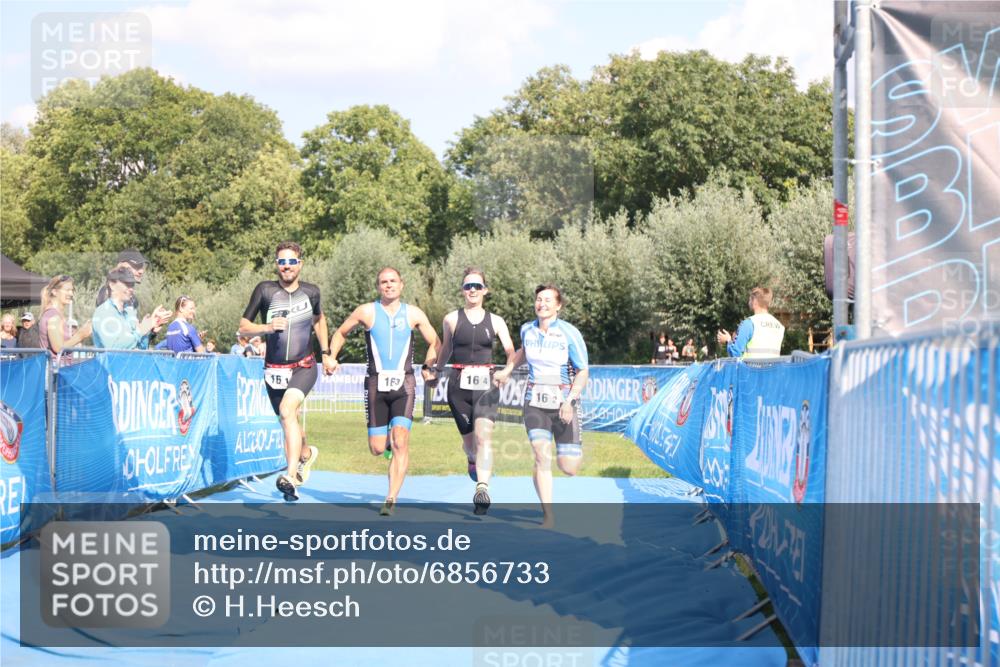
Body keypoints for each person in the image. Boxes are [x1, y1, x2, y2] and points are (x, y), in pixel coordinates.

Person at [328, 267, 440, 516]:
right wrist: (331, 356)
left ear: (401, 284)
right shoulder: (366, 311)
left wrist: (429, 365)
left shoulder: (413, 313)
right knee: (377, 448)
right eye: (383, 282)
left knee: (401, 440)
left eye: (393, 281)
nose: (389, 285)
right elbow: (341, 333)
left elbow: (435, 341)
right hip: (376, 384)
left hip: (404, 384)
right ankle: (386, 441)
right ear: (378, 286)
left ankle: (391, 498)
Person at [239, 241, 335, 501]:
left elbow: (319, 320)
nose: (287, 266)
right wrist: (267, 328)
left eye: (292, 261)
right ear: (277, 265)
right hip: (274, 370)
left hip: (304, 366)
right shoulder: (265, 290)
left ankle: (290, 477)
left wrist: (326, 353)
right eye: (282, 262)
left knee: (286, 411)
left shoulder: (311, 292)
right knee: (287, 420)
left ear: (300, 264)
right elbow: (243, 327)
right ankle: (306, 454)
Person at [495, 284, 589, 528]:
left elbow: (583, 371)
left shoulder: (569, 333)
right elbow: (523, 352)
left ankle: (567, 450)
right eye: (539, 299)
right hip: (534, 400)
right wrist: (507, 370)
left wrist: (570, 401)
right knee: (541, 456)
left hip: (564, 401)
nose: (542, 304)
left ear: (558, 306)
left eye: (548, 300)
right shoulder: (527, 329)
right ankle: (548, 514)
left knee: (569, 467)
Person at [432, 267, 516, 515]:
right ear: (462, 290)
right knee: (470, 444)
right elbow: (446, 349)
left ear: (485, 290)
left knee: (483, 437)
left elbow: (511, 351)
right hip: (458, 387)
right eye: (468, 286)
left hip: (486, 386)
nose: (472, 290)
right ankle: (471, 458)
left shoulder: (496, 321)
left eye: (477, 286)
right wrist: (436, 371)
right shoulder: (451, 319)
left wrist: (507, 370)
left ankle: (482, 488)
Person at [92, 268, 171, 350]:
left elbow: (140, 347)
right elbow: (114, 347)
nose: (131, 289)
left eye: (132, 285)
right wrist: (141, 330)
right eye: (126, 284)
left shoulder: (129, 313)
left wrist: (150, 329)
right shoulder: (104, 312)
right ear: (112, 285)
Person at [717, 286, 785, 359]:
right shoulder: (779, 326)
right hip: (773, 366)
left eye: (750, 299)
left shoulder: (749, 323)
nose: (748, 302)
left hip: (751, 366)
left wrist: (728, 340)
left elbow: (735, 354)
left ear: (755, 301)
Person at [38, 275, 92, 359]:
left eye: (72, 290)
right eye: (67, 290)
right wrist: (80, 335)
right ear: (54, 292)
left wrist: (81, 335)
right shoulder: (53, 316)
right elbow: (58, 348)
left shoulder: (54, 314)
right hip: (56, 366)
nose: (71, 293)